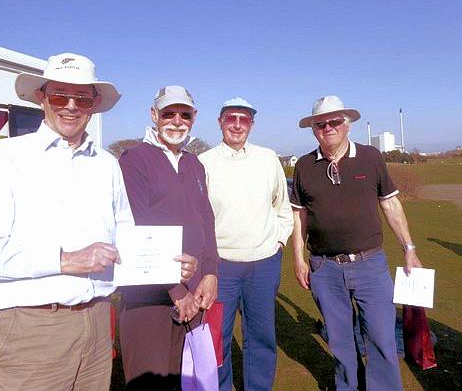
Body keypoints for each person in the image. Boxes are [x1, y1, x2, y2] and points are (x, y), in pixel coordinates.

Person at [0, 53, 130, 391]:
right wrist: (66, 260)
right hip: (32, 327)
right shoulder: (2, 158)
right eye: (60, 95)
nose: (71, 106)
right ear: (42, 97)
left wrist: (165, 266)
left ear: (94, 104)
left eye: (82, 98)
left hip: (96, 321)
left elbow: (125, 234)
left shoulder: (107, 163)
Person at [291, 95, 423, 391]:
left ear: (347, 125)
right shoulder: (303, 165)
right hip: (324, 269)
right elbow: (298, 218)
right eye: (320, 123)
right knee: (340, 343)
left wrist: (409, 249)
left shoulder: (370, 157)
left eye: (335, 121)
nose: (328, 127)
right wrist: (298, 259)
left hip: (370, 265)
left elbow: (390, 205)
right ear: (313, 129)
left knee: (382, 339)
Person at [118, 85, 219, 390]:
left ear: (194, 117)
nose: (177, 120)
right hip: (150, 301)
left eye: (184, 114)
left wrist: (211, 273)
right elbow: (137, 228)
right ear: (154, 115)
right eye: (168, 113)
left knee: (188, 381)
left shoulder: (194, 163)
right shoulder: (134, 160)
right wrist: (176, 290)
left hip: (192, 296)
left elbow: (207, 222)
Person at [199, 97, 293, 391]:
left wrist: (278, 241)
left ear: (251, 124)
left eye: (244, 119)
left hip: (264, 263)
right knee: (217, 338)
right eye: (231, 118)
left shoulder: (268, 158)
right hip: (220, 267)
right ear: (220, 122)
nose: (237, 125)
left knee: (261, 336)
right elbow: (199, 217)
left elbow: (283, 207)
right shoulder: (204, 162)